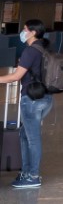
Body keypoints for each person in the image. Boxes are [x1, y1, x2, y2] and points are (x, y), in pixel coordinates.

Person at [0, 20, 54, 188]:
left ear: (32, 32)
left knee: (32, 138)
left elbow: (16, 76)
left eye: (24, 29)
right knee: (25, 135)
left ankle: (32, 176)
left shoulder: (30, 51)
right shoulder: (44, 49)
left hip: (31, 100)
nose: (22, 32)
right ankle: (26, 171)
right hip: (45, 98)